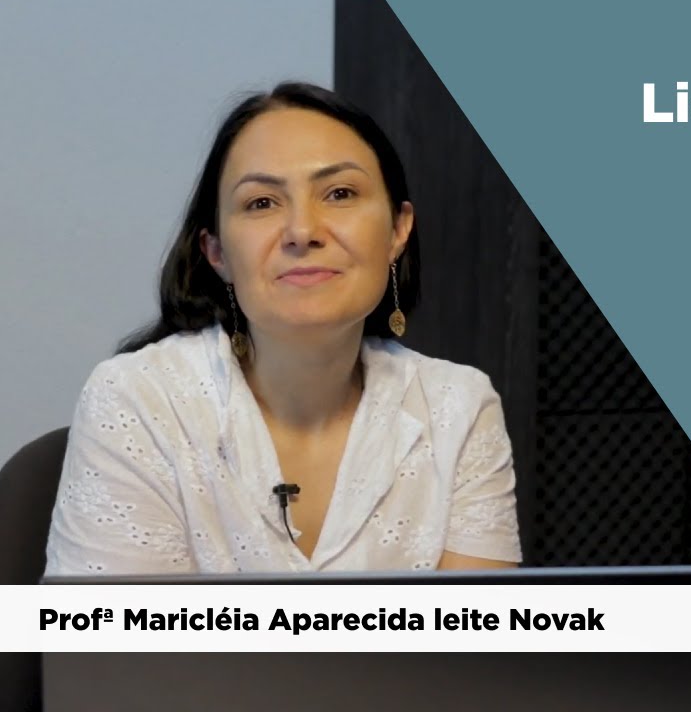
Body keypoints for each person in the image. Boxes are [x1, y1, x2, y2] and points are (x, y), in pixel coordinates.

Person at [43, 82, 521, 575]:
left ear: (398, 230)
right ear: (217, 252)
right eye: (262, 203)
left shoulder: (459, 408)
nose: (302, 232)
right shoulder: (136, 399)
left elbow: (474, 627)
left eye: (339, 194)